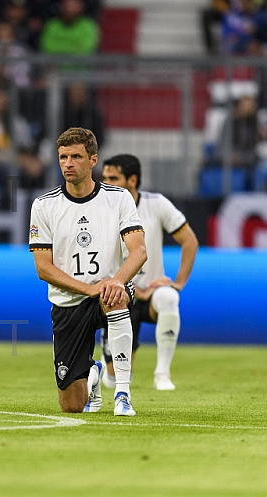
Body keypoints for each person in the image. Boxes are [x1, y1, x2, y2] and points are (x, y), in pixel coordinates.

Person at [29, 128, 146, 416]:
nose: (68, 163)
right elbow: (44, 269)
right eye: (63, 157)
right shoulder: (44, 206)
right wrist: (88, 288)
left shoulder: (118, 199)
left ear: (93, 160)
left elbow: (139, 251)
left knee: (115, 296)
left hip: (106, 292)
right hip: (68, 303)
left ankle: (122, 392)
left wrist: (116, 281)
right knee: (72, 406)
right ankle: (91, 374)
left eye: (76, 156)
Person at [100, 155, 199, 391]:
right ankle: (102, 368)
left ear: (132, 180)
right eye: (104, 178)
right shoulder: (98, 208)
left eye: (113, 178)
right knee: (114, 380)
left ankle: (162, 374)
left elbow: (190, 241)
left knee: (169, 297)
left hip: (151, 295)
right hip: (117, 296)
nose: (106, 184)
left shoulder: (157, 203)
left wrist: (178, 283)